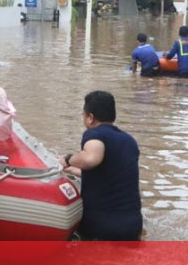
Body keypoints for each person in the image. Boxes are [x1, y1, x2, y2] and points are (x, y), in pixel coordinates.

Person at [61, 91, 142, 240]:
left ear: (90, 118)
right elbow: (111, 171)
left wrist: (68, 159)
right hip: (133, 227)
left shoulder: (94, 133)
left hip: (100, 228)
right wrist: (76, 171)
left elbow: (91, 159)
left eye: (83, 115)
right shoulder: (129, 141)